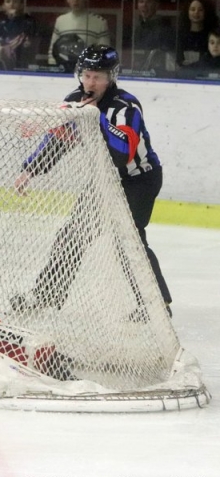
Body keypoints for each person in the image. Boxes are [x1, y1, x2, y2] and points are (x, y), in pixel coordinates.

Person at [12, 45, 172, 318]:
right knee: (72, 236)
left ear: (112, 77)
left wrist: (96, 118)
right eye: (86, 75)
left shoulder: (126, 106)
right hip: (105, 180)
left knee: (129, 240)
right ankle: (46, 296)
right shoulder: (76, 99)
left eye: (98, 76)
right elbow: (58, 140)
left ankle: (156, 305)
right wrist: (31, 169)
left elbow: (123, 155)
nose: (90, 82)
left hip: (139, 180)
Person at [47, 0, 110, 69]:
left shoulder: (99, 22)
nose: (75, 0)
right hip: (63, 69)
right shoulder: (60, 20)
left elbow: (104, 52)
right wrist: (53, 68)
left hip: (89, 72)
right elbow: (53, 50)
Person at [128, 0, 175, 73]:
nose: (144, 5)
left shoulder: (165, 28)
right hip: (140, 71)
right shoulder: (138, 28)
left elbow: (165, 55)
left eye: (148, 2)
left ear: (156, 5)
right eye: (141, 1)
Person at [0, 0, 37, 70]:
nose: (11, 4)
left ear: (21, 5)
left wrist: (14, 19)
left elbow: (31, 47)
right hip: (1, 65)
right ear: (3, 6)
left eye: (15, 1)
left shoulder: (29, 22)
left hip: (22, 65)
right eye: (8, 1)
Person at [175, 0, 219, 67]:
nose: (196, 12)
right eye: (192, 9)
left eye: (200, 10)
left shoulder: (212, 35)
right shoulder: (179, 36)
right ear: (187, 12)